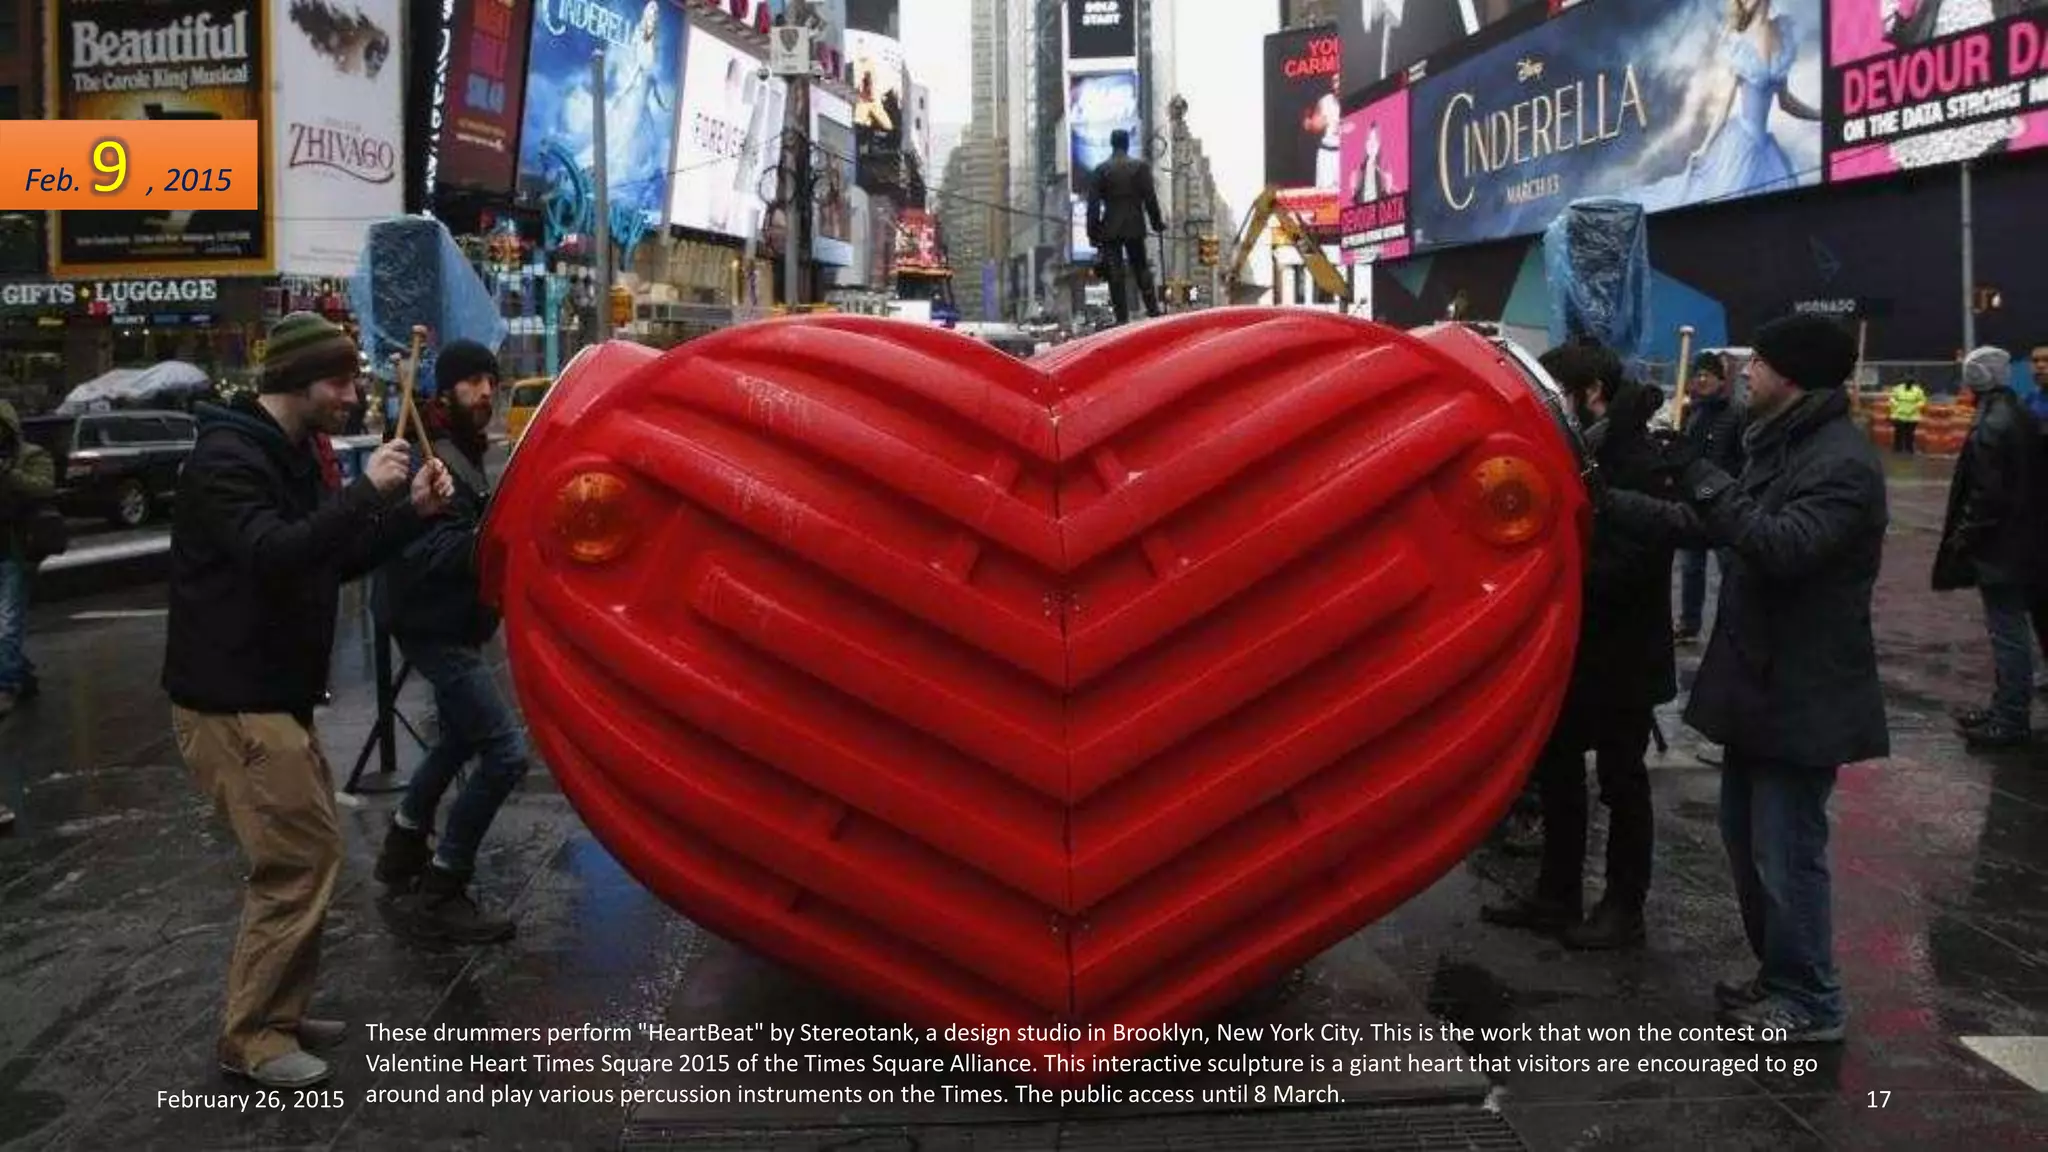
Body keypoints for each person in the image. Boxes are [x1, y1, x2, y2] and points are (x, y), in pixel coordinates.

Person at [163, 312, 454, 1090]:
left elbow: (330, 557)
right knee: (295, 862)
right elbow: (273, 555)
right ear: (298, 381)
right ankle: (254, 1034)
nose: (354, 394)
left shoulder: (290, 453)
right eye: (341, 380)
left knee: (310, 852)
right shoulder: (229, 458)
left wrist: (409, 514)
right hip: (234, 701)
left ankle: (279, 1011)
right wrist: (365, 492)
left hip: (272, 695)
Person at [1602, 313, 1886, 1043]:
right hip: (1759, 681)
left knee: (1786, 851)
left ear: (1789, 375)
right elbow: (1707, 526)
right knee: (1747, 842)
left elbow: (1781, 547)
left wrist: (1701, 475)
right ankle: (1781, 976)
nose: (1744, 374)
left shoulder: (1840, 463)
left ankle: (1812, 1000)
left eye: (1756, 362)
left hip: (1803, 685)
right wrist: (1608, 504)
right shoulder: (1783, 444)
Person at [1482, 344, 1677, 950]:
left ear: (1590, 390)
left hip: (1622, 654)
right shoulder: (1575, 451)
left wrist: (1552, 572)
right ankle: (1556, 894)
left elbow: (1637, 559)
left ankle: (1624, 908)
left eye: (1556, 391)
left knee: (1622, 783)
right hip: (1572, 647)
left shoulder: (1636, 460)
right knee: (1560, 773)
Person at [373, 340, 528, 944]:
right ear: (444, 391)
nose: (485, 392)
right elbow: (430, 550)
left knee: (462, 737)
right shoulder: (426, 455)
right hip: (431, 622)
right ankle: (444, 882)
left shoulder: (458, 448)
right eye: (471, 383)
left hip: (448, 619)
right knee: (505, 751)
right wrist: (492, 542)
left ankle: (404, 840)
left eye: (490, 380)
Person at [1934, 347, 2041, 749]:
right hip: (2020, 541)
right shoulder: (2017, 415)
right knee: (2010, 629)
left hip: (2002, 548)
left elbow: (1986, 496)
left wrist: (1964, 538)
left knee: (2007, 631)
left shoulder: (1992, 425)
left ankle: (2011, 717)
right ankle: (2004, 707)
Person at [1675, 353, 1746, 643]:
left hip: (1725, 504)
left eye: (1708, 374)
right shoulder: (1691, 413)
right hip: (1694, 503)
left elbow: (1743, 459)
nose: (1702, 379)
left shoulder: (1736, 414)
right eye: (1698, 374)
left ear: (1721, 379)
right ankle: (1689, 625)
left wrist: (1731, 491)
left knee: (1732, 568)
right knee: (1692, 568)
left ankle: (1735, 625)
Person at [0, 399, 54, 719]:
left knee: (7, 623)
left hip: (15, 550)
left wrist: (10, 475)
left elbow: (44, 488)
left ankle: (5, 685)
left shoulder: (31, 456)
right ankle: (20, 672)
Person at [1087, 128, 1167, 326]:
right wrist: (1157, 223)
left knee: (1115, 273)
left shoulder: (1101, 170)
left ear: (1112, 144)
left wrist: (1093, 232)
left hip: (1110, 227)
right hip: (1134, 224)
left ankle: (1121, 317)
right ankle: (1153, 309)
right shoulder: (1140, 167)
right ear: (1127, 144)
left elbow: (1093, 205)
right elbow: (1150, 198)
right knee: (1140, 267)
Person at [1888, 376, 1927, 454]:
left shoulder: (1918, 390)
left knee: (1910, 434)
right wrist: (1897, 405)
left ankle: (1909, 449)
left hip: (1912, 416)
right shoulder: (1898, 389)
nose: (1908, 384)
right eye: (1907, 382)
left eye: (1910, 382)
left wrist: (1915, 407)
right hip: (1899, 415)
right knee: (1898, 433)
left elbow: (1922, 400)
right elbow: (1892, 398)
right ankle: (1897, 448)